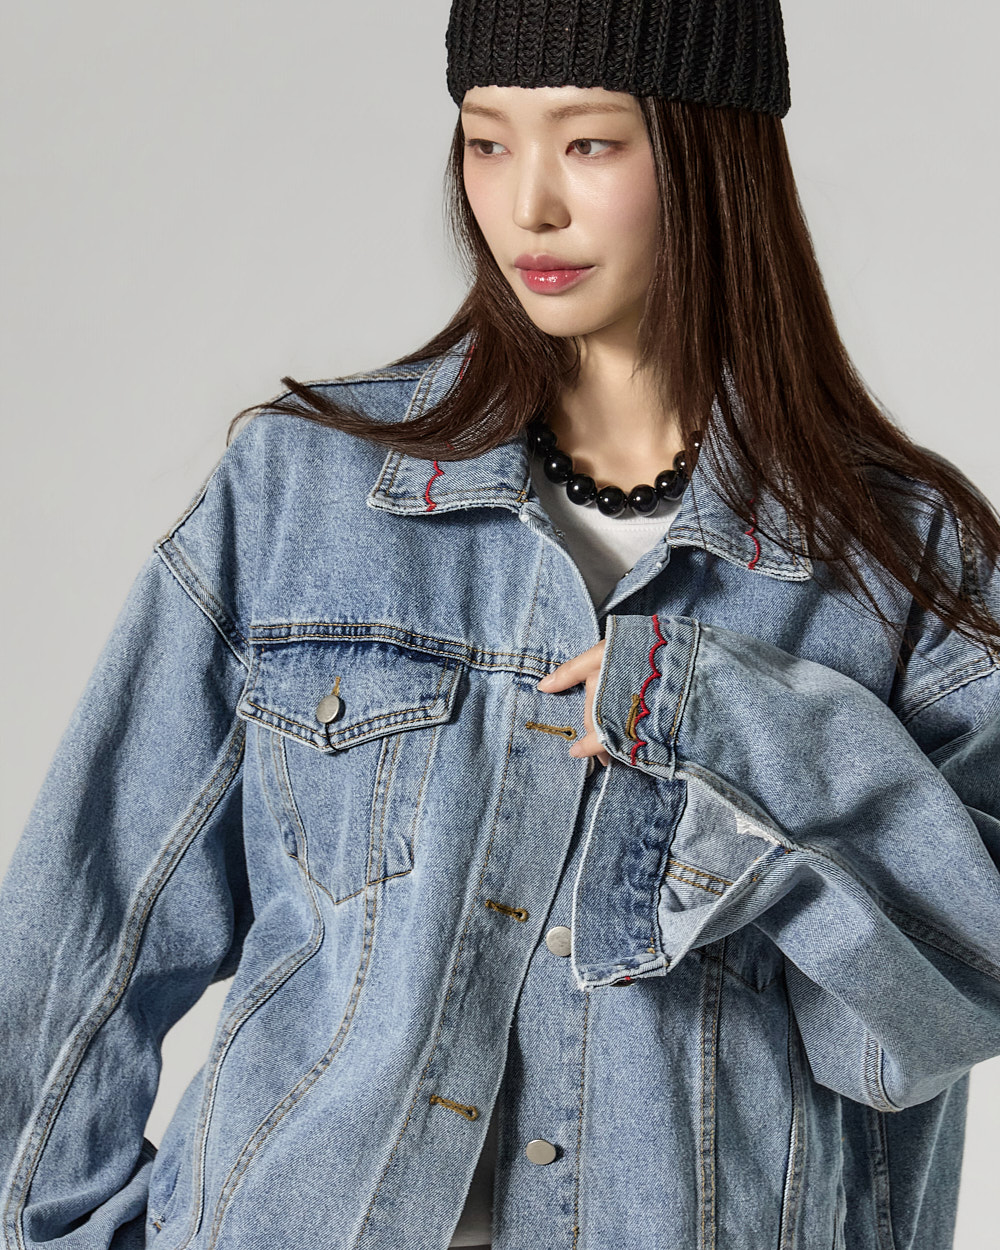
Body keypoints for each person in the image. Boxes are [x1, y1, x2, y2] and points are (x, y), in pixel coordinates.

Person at [2, 0, 999, 1247]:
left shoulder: (897, 562)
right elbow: (81, 937)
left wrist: (724, 720)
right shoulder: (300, 496)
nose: (527, 204)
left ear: (711, 152)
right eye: (486, 141)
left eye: (589, 143)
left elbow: (946, 999)